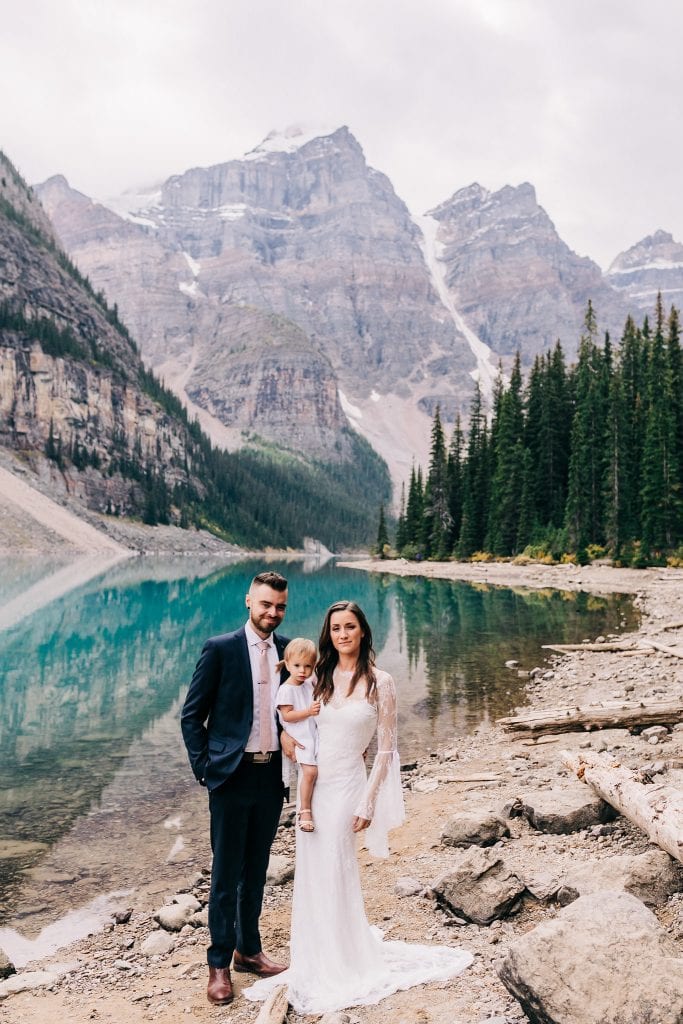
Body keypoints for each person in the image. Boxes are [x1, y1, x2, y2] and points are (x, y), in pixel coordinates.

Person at [245, 600, 473, 1015]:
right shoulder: (319, 677)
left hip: (349, 785)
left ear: (363, 631)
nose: (343, 634)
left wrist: (368, 800)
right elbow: (295, 720)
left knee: (335, 866)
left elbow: (385, 749)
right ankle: (315, 959)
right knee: (312, 871)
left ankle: (343, 960)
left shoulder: (380, 682)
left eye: (350, 626)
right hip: (313, 787)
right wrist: (288, 742)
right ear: (328, 634)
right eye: (335, 628)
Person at [180, 570, 298, 1006]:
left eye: (280, 606)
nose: (273, 613)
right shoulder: (221, 649)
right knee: (226, 873)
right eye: (266, 604)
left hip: (271, 779)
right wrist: (205, 770)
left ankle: (249, 951)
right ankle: (218, 964)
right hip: (230, 776)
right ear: (249, 601)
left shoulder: (289, 652)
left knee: (257, 869)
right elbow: (191, 716)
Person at [275, 637, 320, 832]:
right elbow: (288, 716)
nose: (303, 671)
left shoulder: (307, 683)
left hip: (312, 733)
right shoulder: (286, 690)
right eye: (297, 665)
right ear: (287, 664)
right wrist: (309, 712)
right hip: (300, 737)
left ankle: (318, 805)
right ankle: (304, 810)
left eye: (308, 666)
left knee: (319, 771)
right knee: (310, 772)